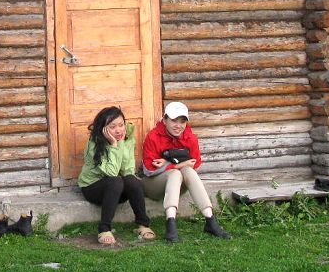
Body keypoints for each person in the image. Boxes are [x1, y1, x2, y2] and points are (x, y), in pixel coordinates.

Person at [142, 101, 230, 242]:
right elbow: (149, 170)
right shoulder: (153, 136)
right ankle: (170, 223)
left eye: (182, 121)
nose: (178, 126)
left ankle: (210, 220)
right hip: (153, 185)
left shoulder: (190, 138)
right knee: (178, 172)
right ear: (165, 120)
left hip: (178, 184)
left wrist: (169, 162)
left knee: (188, 171)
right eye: (174, 120)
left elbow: (195, 163)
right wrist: (178, 164)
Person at [77, 106, 156, 245]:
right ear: (103, 129)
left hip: (115, 190)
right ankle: (104, 229)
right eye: (113, 127)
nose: (118, 130)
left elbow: (127, 170)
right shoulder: (94, 144)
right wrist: (114, 145)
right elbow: (112, 173)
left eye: (121, 125)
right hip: (92, 188)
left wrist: (122, 143)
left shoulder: (126, 137)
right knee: (115, 181)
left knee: (132, 180)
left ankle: (143, 225)